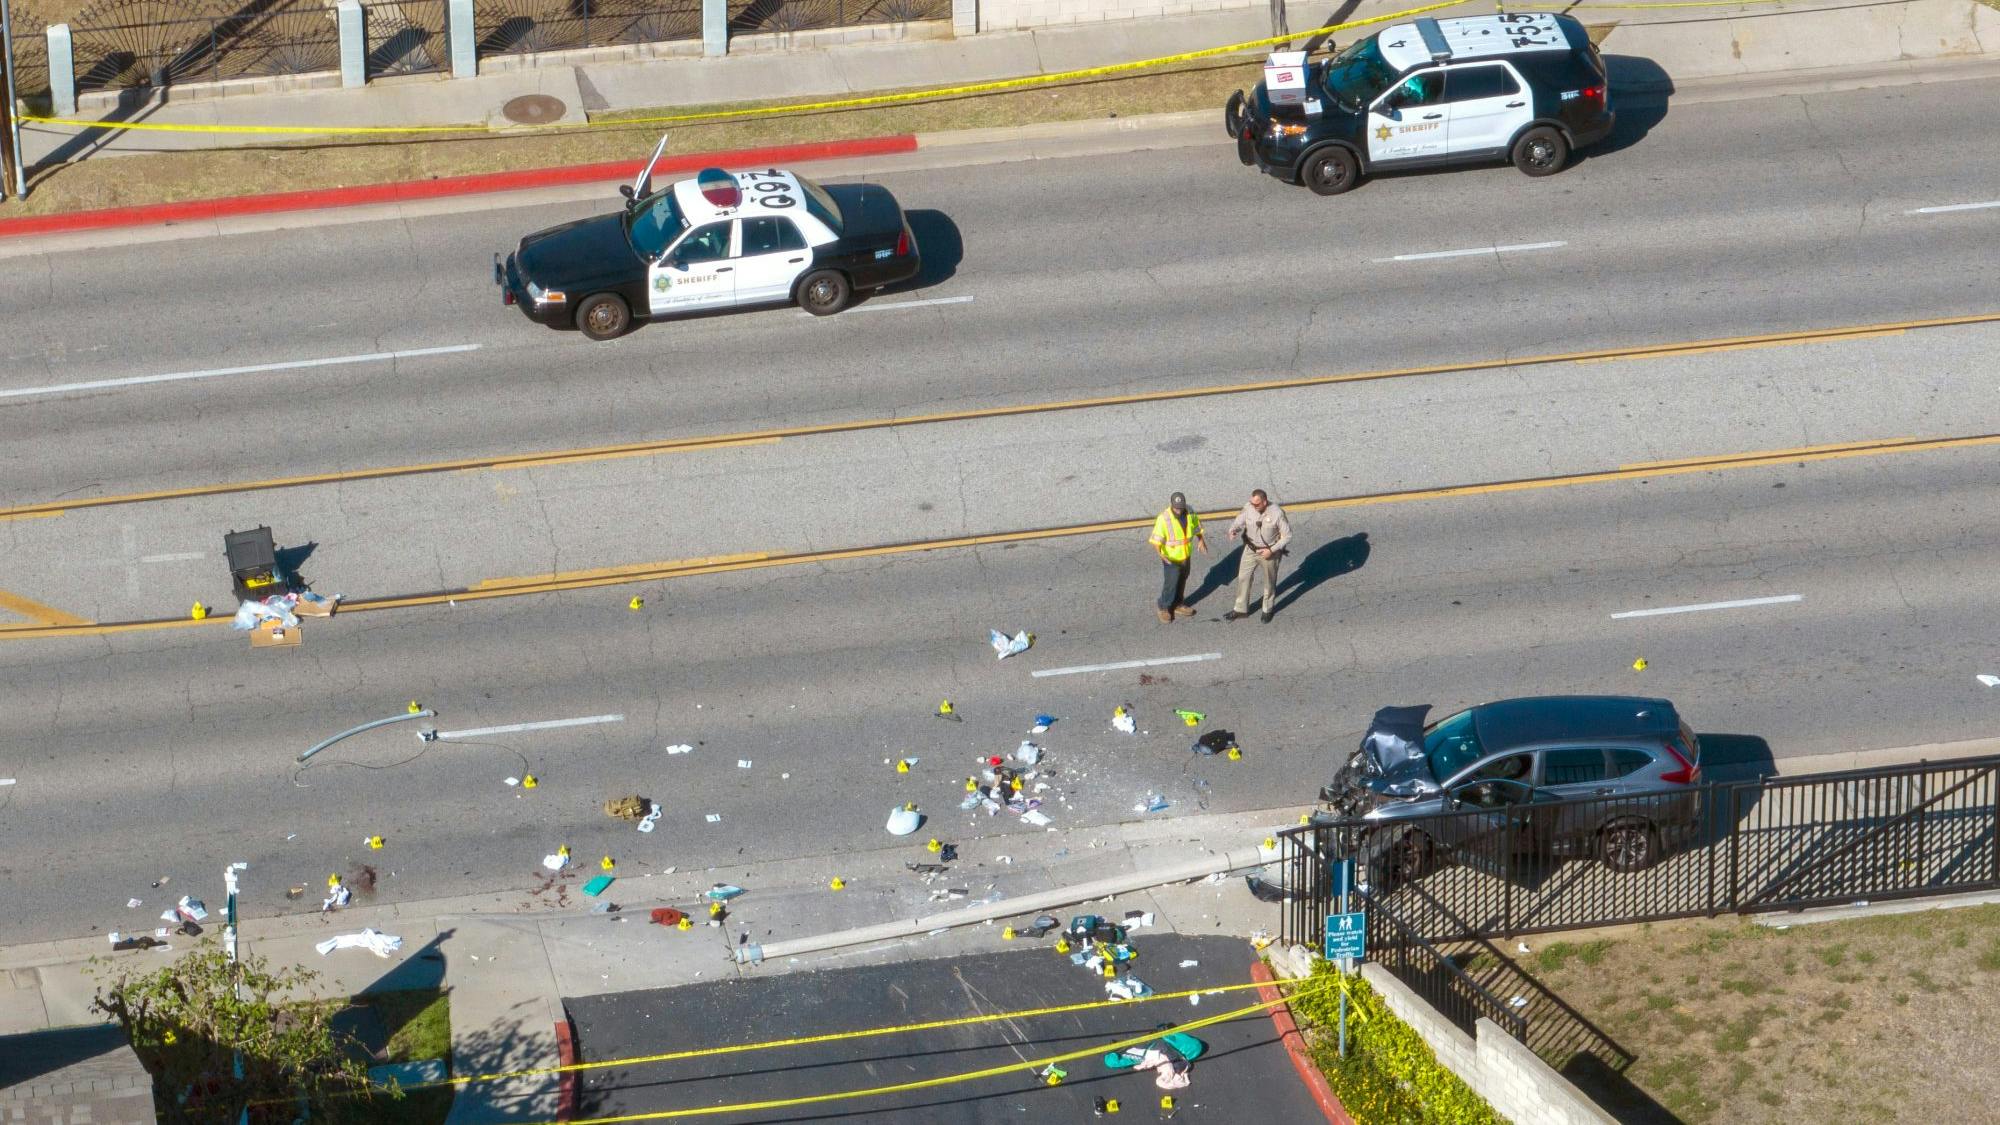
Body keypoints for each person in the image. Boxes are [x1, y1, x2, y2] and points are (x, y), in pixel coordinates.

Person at [1224, 489, 1291, 623]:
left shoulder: (1277, 513)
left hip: (1269, 552)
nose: (1253, 506)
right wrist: (1233, 529)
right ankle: (1240, 609)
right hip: (1250, 549)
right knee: (1243, 577)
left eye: (1257, 504)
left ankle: (1267, 609)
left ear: (1264, 502)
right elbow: (1240, 520)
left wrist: (1271, 550)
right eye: (1252, 503)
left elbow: (1287, 535)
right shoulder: (1249, 507)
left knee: (1269, 582)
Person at [1147, 491, 1207, 623]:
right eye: (1176, 508)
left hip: (1185, 555)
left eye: (1180, 507)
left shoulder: (1190, 511)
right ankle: (1164, 607)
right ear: (1171, 505)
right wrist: (1160, 554)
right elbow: (1156, 539)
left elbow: (1196, 527)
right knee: (1171, 584)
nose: (1179, 510)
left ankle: (1178, 604)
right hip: (1170, 558)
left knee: (1182, 580)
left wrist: (1201, 540)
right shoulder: (1164, 518)